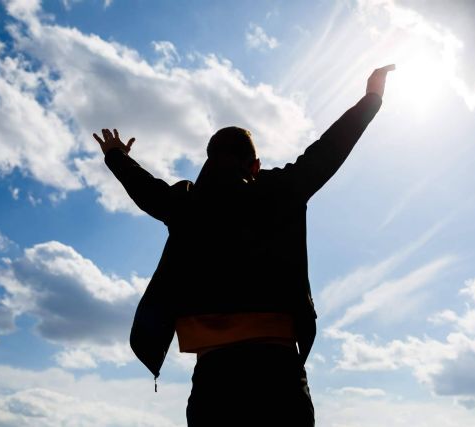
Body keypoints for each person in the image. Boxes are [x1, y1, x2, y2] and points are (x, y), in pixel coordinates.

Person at [93, 64, 394, 427]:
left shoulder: (186, 204)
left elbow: (145, 190)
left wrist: (116, 156)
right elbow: (328, 151)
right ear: (255, 164)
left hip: (215, 377)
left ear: (209, 160)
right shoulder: (280, 191)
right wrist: (372, 98)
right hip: (278, 372)